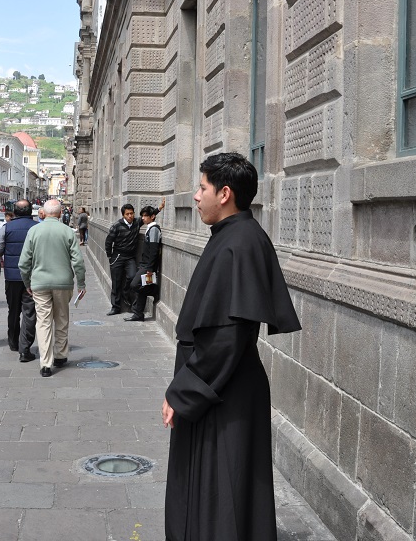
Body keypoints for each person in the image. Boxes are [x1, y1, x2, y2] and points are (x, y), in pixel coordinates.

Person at [162, 153, 301, 541]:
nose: (195, 196)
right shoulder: (234, 237)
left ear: (224, 194)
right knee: (223, 489)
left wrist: (184, 392)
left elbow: (227, 335)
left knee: (220, 491)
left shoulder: (238, 244)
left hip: (220, 392)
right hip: (224, 387)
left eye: (201, 188)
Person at [18, 199, 86, 378]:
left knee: (43, 321)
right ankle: (61, 355)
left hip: (39, 283)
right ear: (60, 213)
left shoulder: (34, 231)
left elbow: (23, 263)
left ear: (43, 213)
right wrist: (82, 283)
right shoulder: (67, 231)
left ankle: (45, 363)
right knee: (62, 318)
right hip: (63, 282)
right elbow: (78, 261)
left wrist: (27, 283)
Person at [0, 199, 39, 361]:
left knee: (13, 310)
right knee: (29, 312)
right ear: (30, 211)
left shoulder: (6, 228)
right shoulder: (37, 228)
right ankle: (25, 346)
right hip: (32, 278)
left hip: (12, 277)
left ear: (15, 212)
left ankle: (13, 342)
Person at [105, 198, 164, 315]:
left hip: (130, 257)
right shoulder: (116, 225)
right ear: (123, 215)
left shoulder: (137, 222)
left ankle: (126, 295)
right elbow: (108, 242)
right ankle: (115, 307)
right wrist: (110, 257)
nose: (130, 216)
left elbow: (149, 216)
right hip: (117, 256)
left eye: (132, 213)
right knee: (116, 282)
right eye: (127, 214)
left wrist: (159, 209)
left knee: (132, 277)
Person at [124, 206, 161, 322]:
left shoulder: (154, 229)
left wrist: (149, 267)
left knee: (135, 285)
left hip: (148, 266)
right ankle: (138, 314)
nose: (143, 218)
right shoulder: (149, 228)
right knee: (142, 287)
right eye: (142, 216)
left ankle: (154, 290)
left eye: (145, 216)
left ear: (152, 217)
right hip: (144, 264)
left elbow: (154, 250)